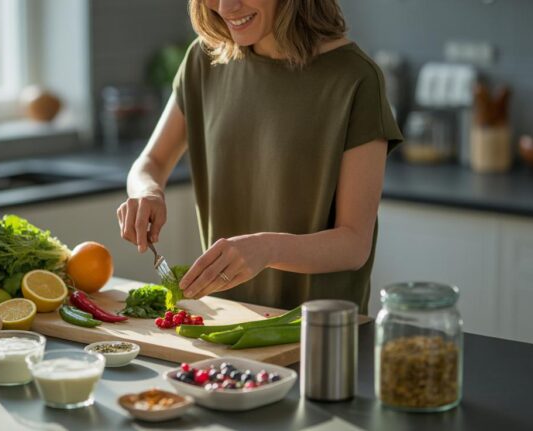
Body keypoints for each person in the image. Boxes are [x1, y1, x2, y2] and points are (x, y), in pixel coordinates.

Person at [116, 0, 402, 313]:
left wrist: (267, 249)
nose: (226, 7)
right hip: (223, 325)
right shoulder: (204, 59)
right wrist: (147, 192)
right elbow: (151, 163)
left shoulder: (356, 78)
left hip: (318, 334)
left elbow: (354, 244)